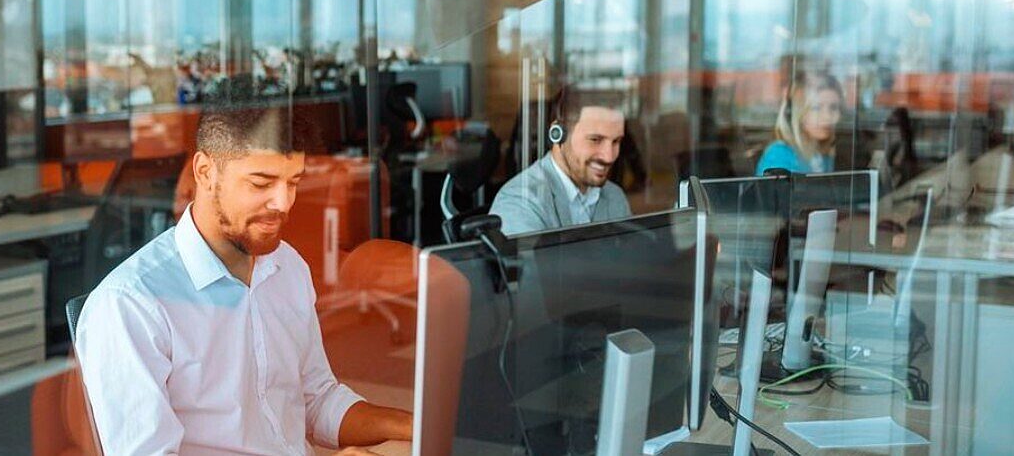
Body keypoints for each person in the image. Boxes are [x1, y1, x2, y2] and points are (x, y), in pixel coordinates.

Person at [75, 101, 412, 455]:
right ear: (205, 172)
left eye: (293, 182)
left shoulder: (287, 268)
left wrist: (414, 425)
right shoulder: (130, 304)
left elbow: (317, 399)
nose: (283, 203)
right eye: (261, 183)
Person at [490, 89, 632, 235]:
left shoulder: (614, 196)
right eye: (595, 140)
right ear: (557, 134)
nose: (609, 156)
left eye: (616, 141)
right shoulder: (520, 202)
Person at [755, 72, 843, 175]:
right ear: (798, 112)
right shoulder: (780, 155)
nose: (827, 116)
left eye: (833, 107)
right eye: (816, 108)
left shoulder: (822, 153)